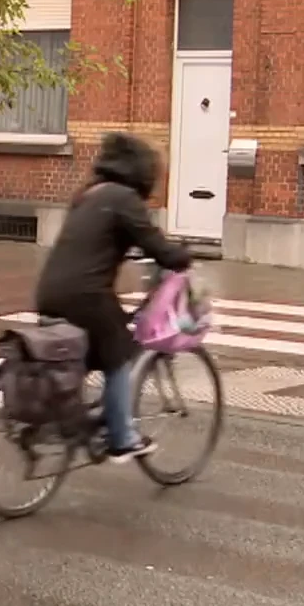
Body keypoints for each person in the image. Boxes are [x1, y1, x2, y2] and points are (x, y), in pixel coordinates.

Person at [33, 131, 191, 462]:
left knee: (88, 352)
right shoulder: (124, 199)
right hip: (85, 296)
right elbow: (154, 243)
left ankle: (73, 418)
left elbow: (95, 241)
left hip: (49, 291)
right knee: (118, 351)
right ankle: (122, 438)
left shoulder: (88, 194)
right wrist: (180, 258)